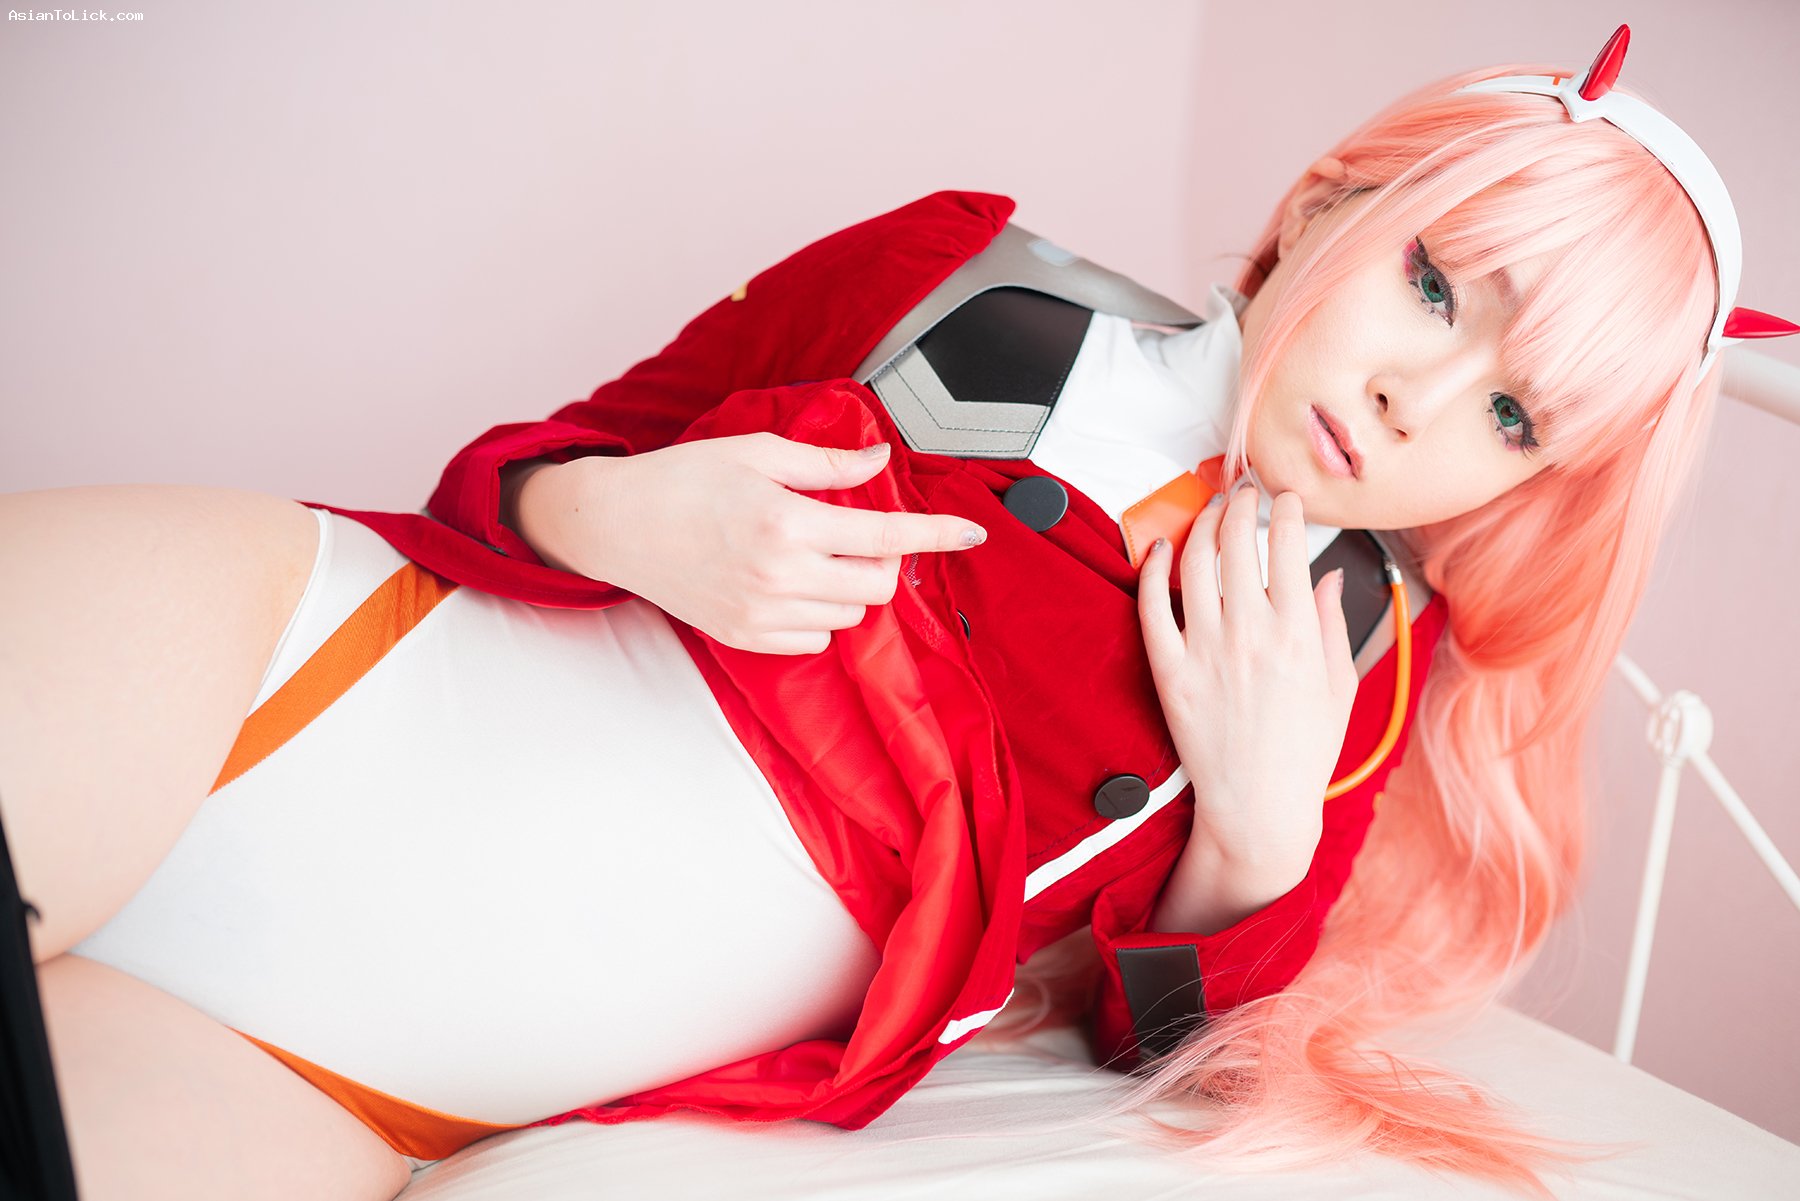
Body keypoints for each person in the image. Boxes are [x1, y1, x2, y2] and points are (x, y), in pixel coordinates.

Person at [1, 24, 1791, 1201]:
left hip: (354, 1078)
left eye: (1513, 416)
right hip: (275, 678)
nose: (1418, 398)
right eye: (1435, 287)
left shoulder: (1354, 675)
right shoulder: (953, 267)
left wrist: (1251, 828)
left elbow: (1167, 1046)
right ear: (1330, 199)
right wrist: (621, 513)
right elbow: (512, 474)